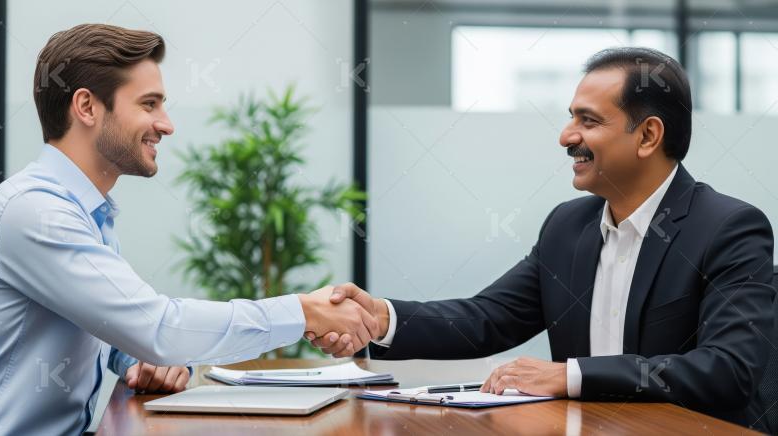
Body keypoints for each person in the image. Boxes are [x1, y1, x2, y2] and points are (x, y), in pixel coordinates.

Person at [309, 47, 775, 429]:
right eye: (572, 118)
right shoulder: (567, 227)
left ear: (648, 136)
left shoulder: (728, 228)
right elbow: (487, 318)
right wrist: (380, 317)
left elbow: (729, 369)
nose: (566, 137)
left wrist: (570, 375)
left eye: (588, 121)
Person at [0, 24, 378, 435]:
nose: (166, 125)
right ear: (87, 107)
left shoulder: (85, 213)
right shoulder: (35, 212)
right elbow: (157, 327)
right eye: (149, 104)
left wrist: (137, 358)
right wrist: (303, 311)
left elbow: (109, 326)